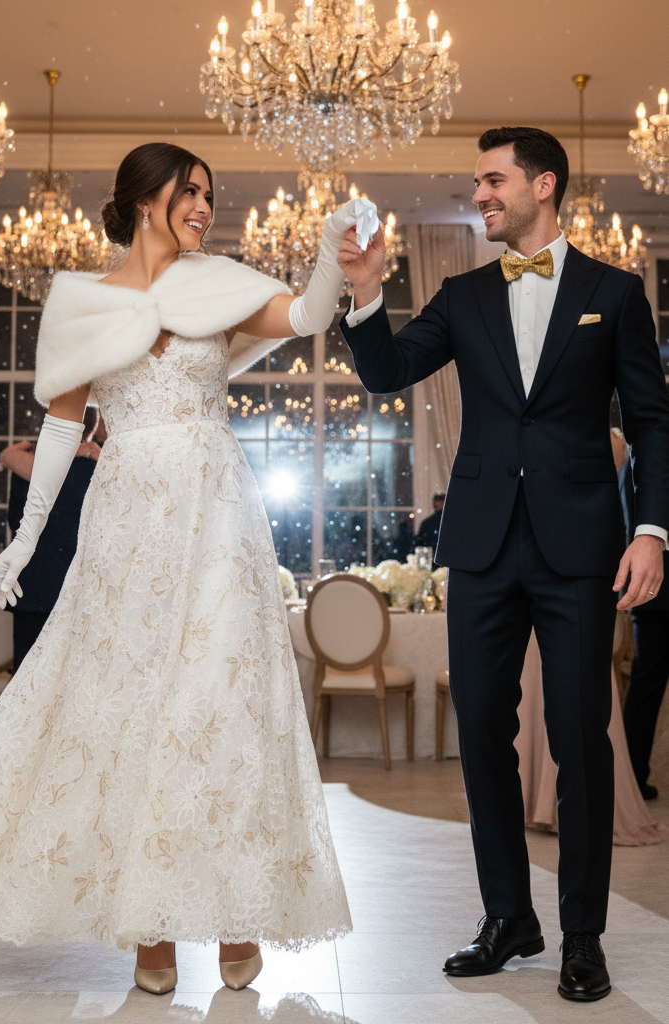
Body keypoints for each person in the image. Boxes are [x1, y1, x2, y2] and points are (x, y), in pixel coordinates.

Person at [0, 142, 366, 995]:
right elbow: (59, 425)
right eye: (188, 192)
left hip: (219, 516)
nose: (202, 205)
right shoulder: (80, 301)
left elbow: (306, 315)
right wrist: (25, 535)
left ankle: (237, 914)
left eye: (208, 193)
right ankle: (147, 928)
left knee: (221, 700)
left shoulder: (217, 284)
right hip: (127, 521)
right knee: (129, 703)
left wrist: (327, 252)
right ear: (141, 198)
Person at [338, 126, 669, 1002]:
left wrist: (652, 531)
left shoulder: (614, 291)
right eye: (476, 183)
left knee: (579, 742)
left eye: (492, 181)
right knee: (479, 730)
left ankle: (583, 937)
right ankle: (506, 918)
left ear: (543, 185)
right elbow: (388, 371)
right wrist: (366, 294)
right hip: (481, 545)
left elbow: (651, 421)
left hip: (579, 548)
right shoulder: (462, 293)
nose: (479, 194)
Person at [0, 409, 104, 672]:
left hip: (31, 584)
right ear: (94, 425)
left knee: (27, 674)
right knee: (74, 673)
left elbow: (16, 519)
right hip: (79, 586)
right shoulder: (99, 466)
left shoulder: (27, 465)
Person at [619, 439, 669, 800]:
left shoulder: (638, 457)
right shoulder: (647, 457)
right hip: (653, 590)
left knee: (645, 686)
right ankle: (633, 775)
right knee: (645, 686)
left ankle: (634, 776)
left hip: (650, 593)